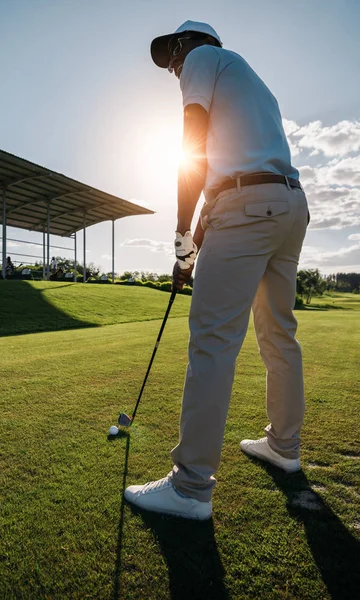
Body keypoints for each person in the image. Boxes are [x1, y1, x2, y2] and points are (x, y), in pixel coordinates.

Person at [124, 21, 309, 520]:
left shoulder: (203, 61)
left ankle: (189, 488)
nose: (174, 67)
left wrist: (182, 234)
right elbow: (231, 173)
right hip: (287, 207)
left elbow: (195, 151)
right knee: (278, 334)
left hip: (248, 207)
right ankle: (284, 447)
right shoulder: (250, 80)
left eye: (174, 54)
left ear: (192, 43)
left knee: (212, 341)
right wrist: (194, 248)